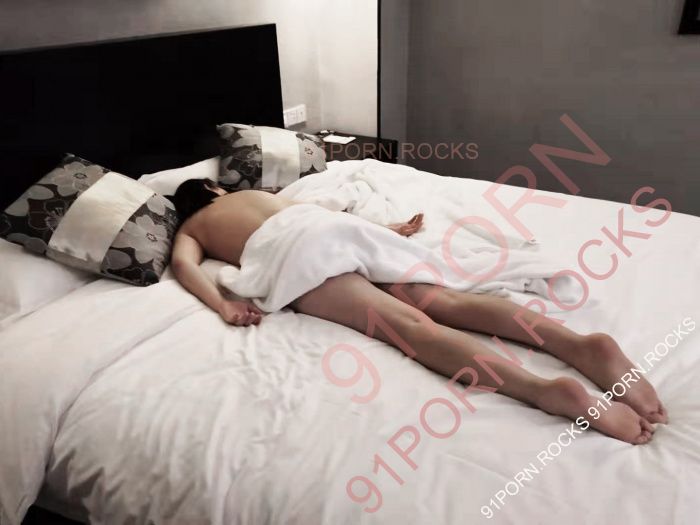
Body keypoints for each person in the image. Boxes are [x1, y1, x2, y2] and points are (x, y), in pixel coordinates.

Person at [170, 179, 666, 445]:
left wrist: (225, 304)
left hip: (299, 254)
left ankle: (543, 390)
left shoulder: (194, 228)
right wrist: (388, 231)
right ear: (215, 189)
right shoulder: (260, 194)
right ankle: (579, 345)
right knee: (446, 302)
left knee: (410, 328)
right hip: (335, 230)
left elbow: (184, 266)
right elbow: (324, 220)